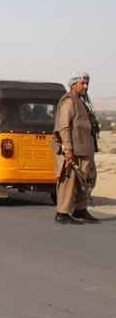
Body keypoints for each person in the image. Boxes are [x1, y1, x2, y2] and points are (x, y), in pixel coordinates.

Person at [52, 71, 100, 225]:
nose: (86, 86)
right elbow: (64, 127)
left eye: (87, 83)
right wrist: (68, 150)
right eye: (83, 83)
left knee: (85, 181)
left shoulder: (82, 101)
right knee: (69, 181)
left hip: (85, 149)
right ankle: (62, 213)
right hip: (73, 150)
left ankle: (80, 210)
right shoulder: (68, 101)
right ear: (74, 85)